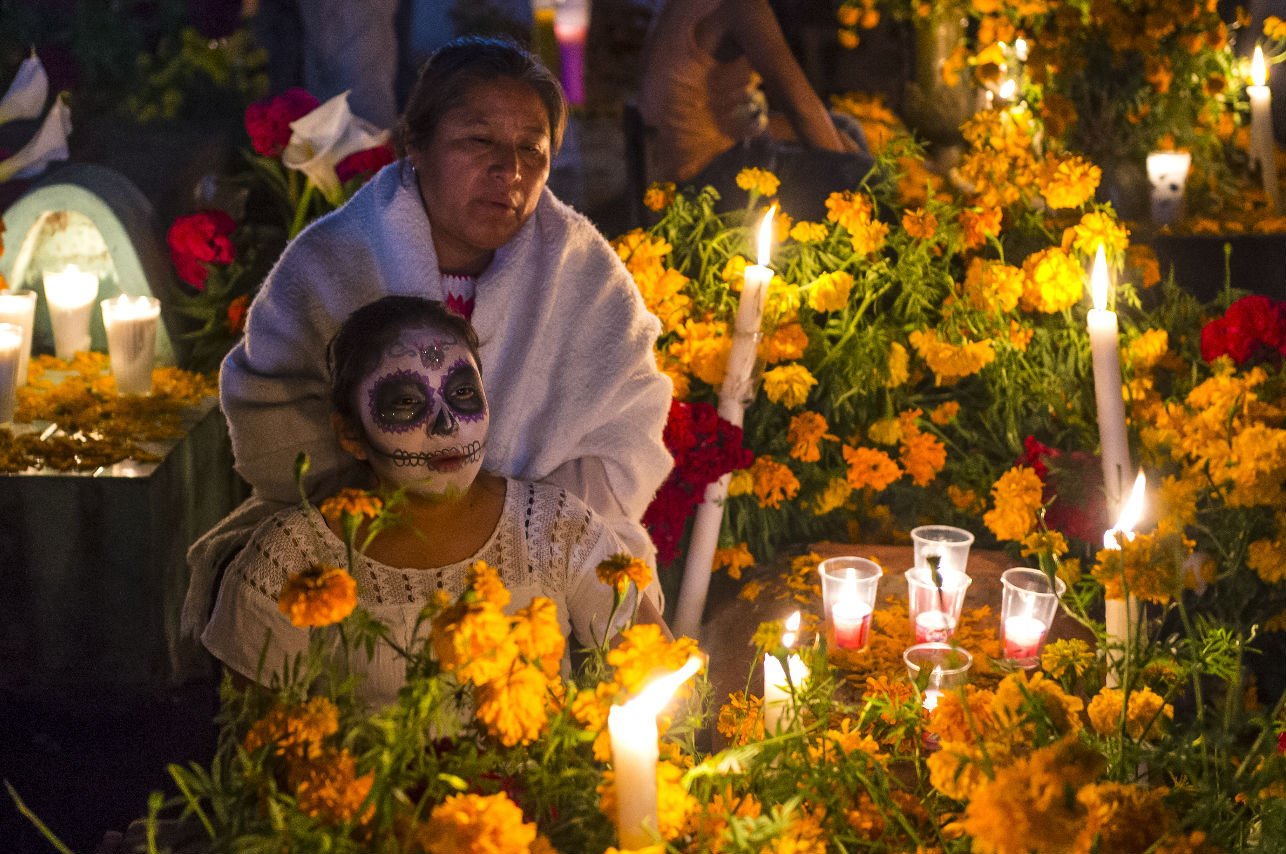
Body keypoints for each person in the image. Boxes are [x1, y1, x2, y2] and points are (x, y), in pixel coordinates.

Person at [183, 36, 672, 643]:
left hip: (540, 551)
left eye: (531, 150)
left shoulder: (586, 277)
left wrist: (506, 524)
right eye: (478, 140)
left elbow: (624, 440)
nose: (509, 171)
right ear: (415, 142)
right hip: (362, 540)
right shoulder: (333, 259)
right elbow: (272, 423)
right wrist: (412, 514)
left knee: (624, 630)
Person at [201, 296, 664, 706]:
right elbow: (257, 756)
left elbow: (658, 673)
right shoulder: (291, 563)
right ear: (350, 433)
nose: (447, 426)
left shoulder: (555, 529)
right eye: (405, 404)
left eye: (463, 394)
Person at [637, 0, 875, 219]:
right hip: (705, 173)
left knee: (845, 128)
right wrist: (849, 182)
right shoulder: (742, 7)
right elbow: (800, 107)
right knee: (867, 177)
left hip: (693, 146)